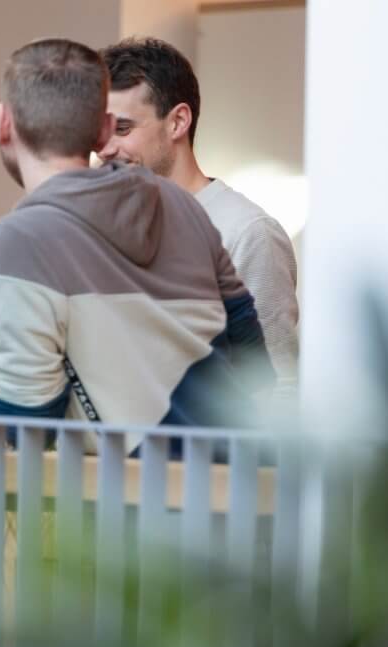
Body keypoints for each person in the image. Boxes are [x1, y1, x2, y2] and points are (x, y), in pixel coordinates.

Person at [0, 38, 273, 434]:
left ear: (3, 123)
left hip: (127, 487)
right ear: (102, 129)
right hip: (222, 478)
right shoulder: (184, 204)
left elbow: (27, 428)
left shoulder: (20, 238)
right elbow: (252, 358)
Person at [98, 37, 299, 397]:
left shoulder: (248, 233)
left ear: (178, 122)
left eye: (123, 129)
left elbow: (275, 391)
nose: (105, 148)